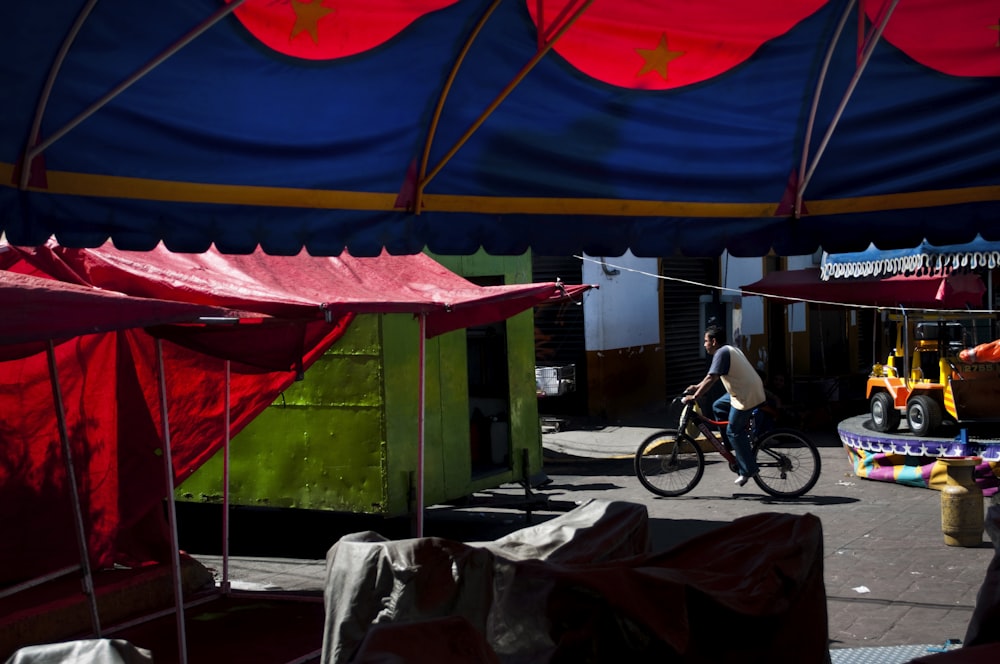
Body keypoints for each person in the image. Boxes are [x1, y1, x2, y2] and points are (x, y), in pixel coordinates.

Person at [683, 325, 767, 486]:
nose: (704, 344)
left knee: (734, 431)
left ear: (714, 341)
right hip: (744, 390)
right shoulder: (727, 350)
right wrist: (697, 387)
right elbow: (710, 377)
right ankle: (730, 446)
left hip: (746, 394)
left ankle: (748, 469)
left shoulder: (721, 353)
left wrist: (694, 397)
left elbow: (711, 378)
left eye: (706, 341)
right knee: (718, 406)